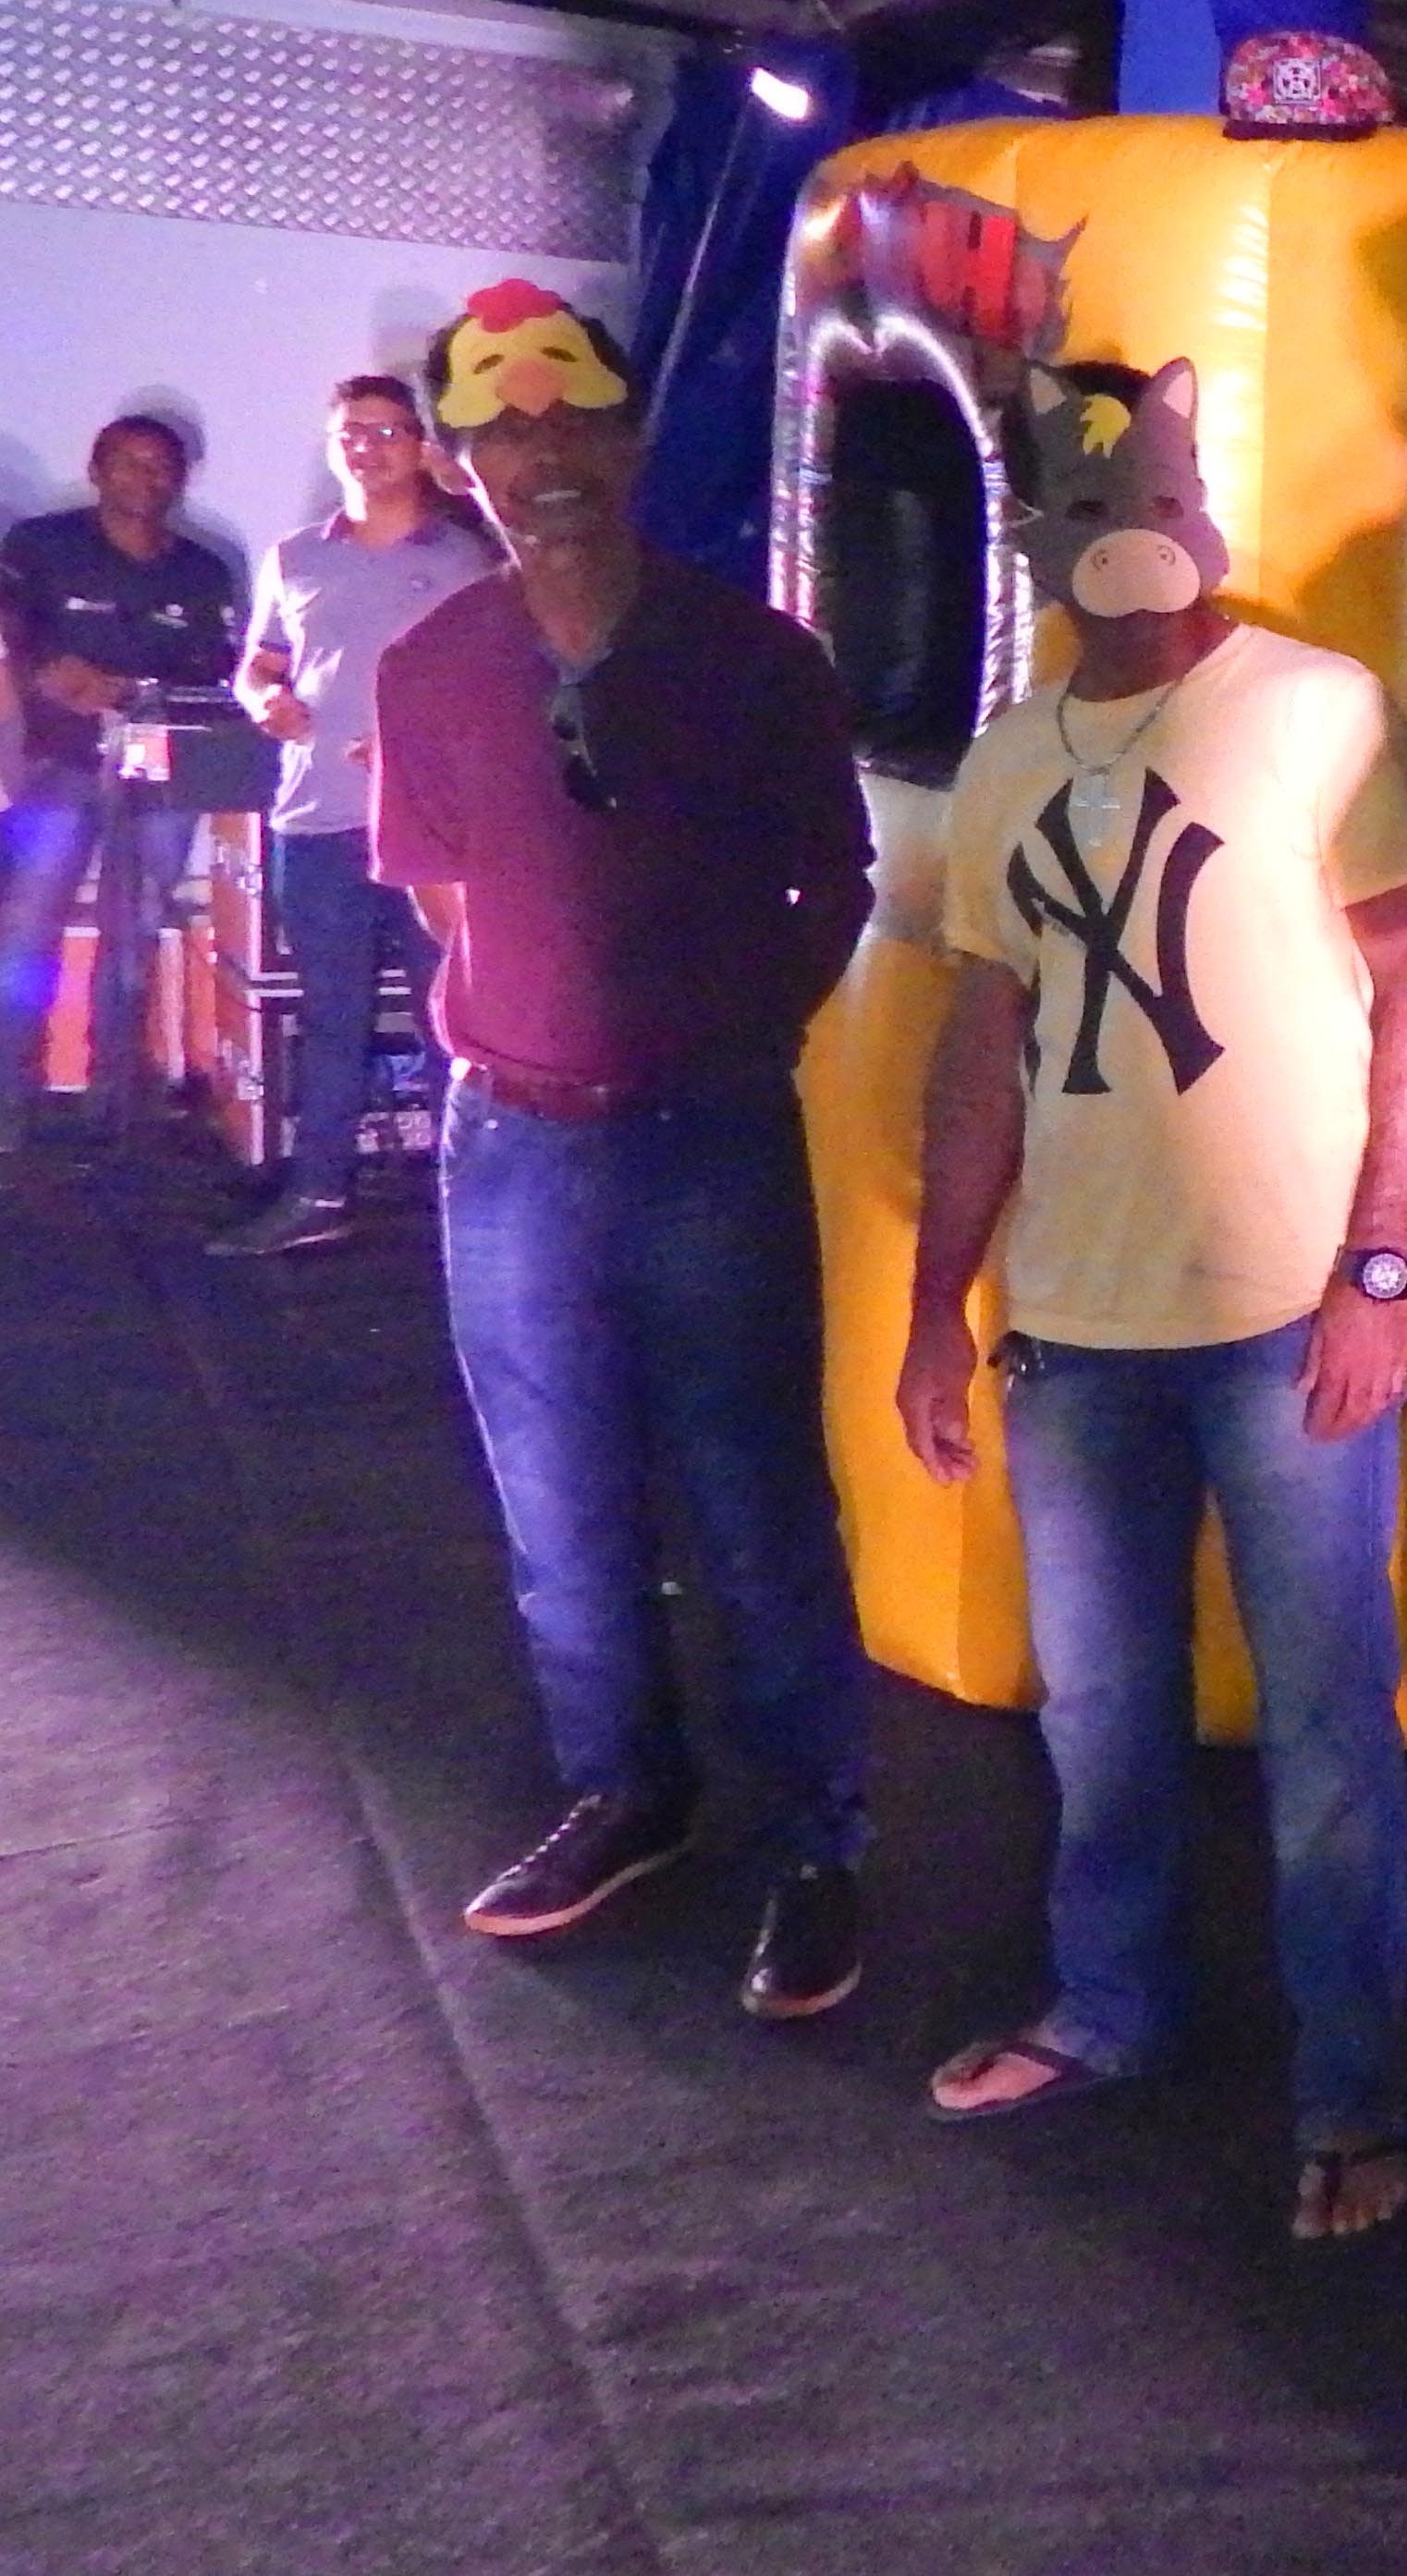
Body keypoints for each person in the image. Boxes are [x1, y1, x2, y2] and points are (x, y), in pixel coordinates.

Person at [893, 356, 1407, 2243]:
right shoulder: (1004, 763)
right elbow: (984, 1044)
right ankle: (1109, 2010)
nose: (1127, 527)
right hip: (1074, 1336)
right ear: (1036, 531)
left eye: (1152, 487)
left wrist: (1381, 1270)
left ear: (1199, 501)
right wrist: (938, 1305)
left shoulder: (1317, 708)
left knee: (1326, 1739)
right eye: (1085, 497)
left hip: (1290, 1324)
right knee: (1101, 1717)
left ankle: (1353, 2093)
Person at [373, 280, 879, 2020]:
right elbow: (445, 896)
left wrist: (738, 1028)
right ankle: (627, 1793)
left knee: (755, 1502)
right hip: (511, 1148)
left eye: (574, 416)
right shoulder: (428, 670)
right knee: (559, 1504)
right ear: (459, 461)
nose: (543, 455)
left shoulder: (761, 660)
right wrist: (541, 1028)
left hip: (713, 1133)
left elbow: (838, 883)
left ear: (635, 434)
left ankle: (817, 1843)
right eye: (502, 429)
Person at [212, 373, 499, 1253]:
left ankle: (471, 1205)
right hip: (318, 819)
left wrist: (424, 742)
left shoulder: (464, 558)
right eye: (352, 434)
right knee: (331, 1017)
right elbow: (260, 662)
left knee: (449, 1015)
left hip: (431, 825)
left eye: (386, 432)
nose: (368, 448)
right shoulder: (297, 556)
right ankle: (319, 1195)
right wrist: (262, 700)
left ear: (419, 446)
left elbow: (499, 683)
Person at [0, 411, 241, 1150]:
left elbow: (218, 673)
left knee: (133, 935)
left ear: (182, 478)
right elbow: (10, 640)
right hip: (55, 768)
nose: (148, 477)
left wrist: (142, 693)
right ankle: (11, 1099)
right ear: (97, 469)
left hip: (162, 779)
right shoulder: (40, 547)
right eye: (131, 462)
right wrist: (47, 676)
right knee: (27, 931)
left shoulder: (204, 570)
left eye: (163, 465)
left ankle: (116, 1105)